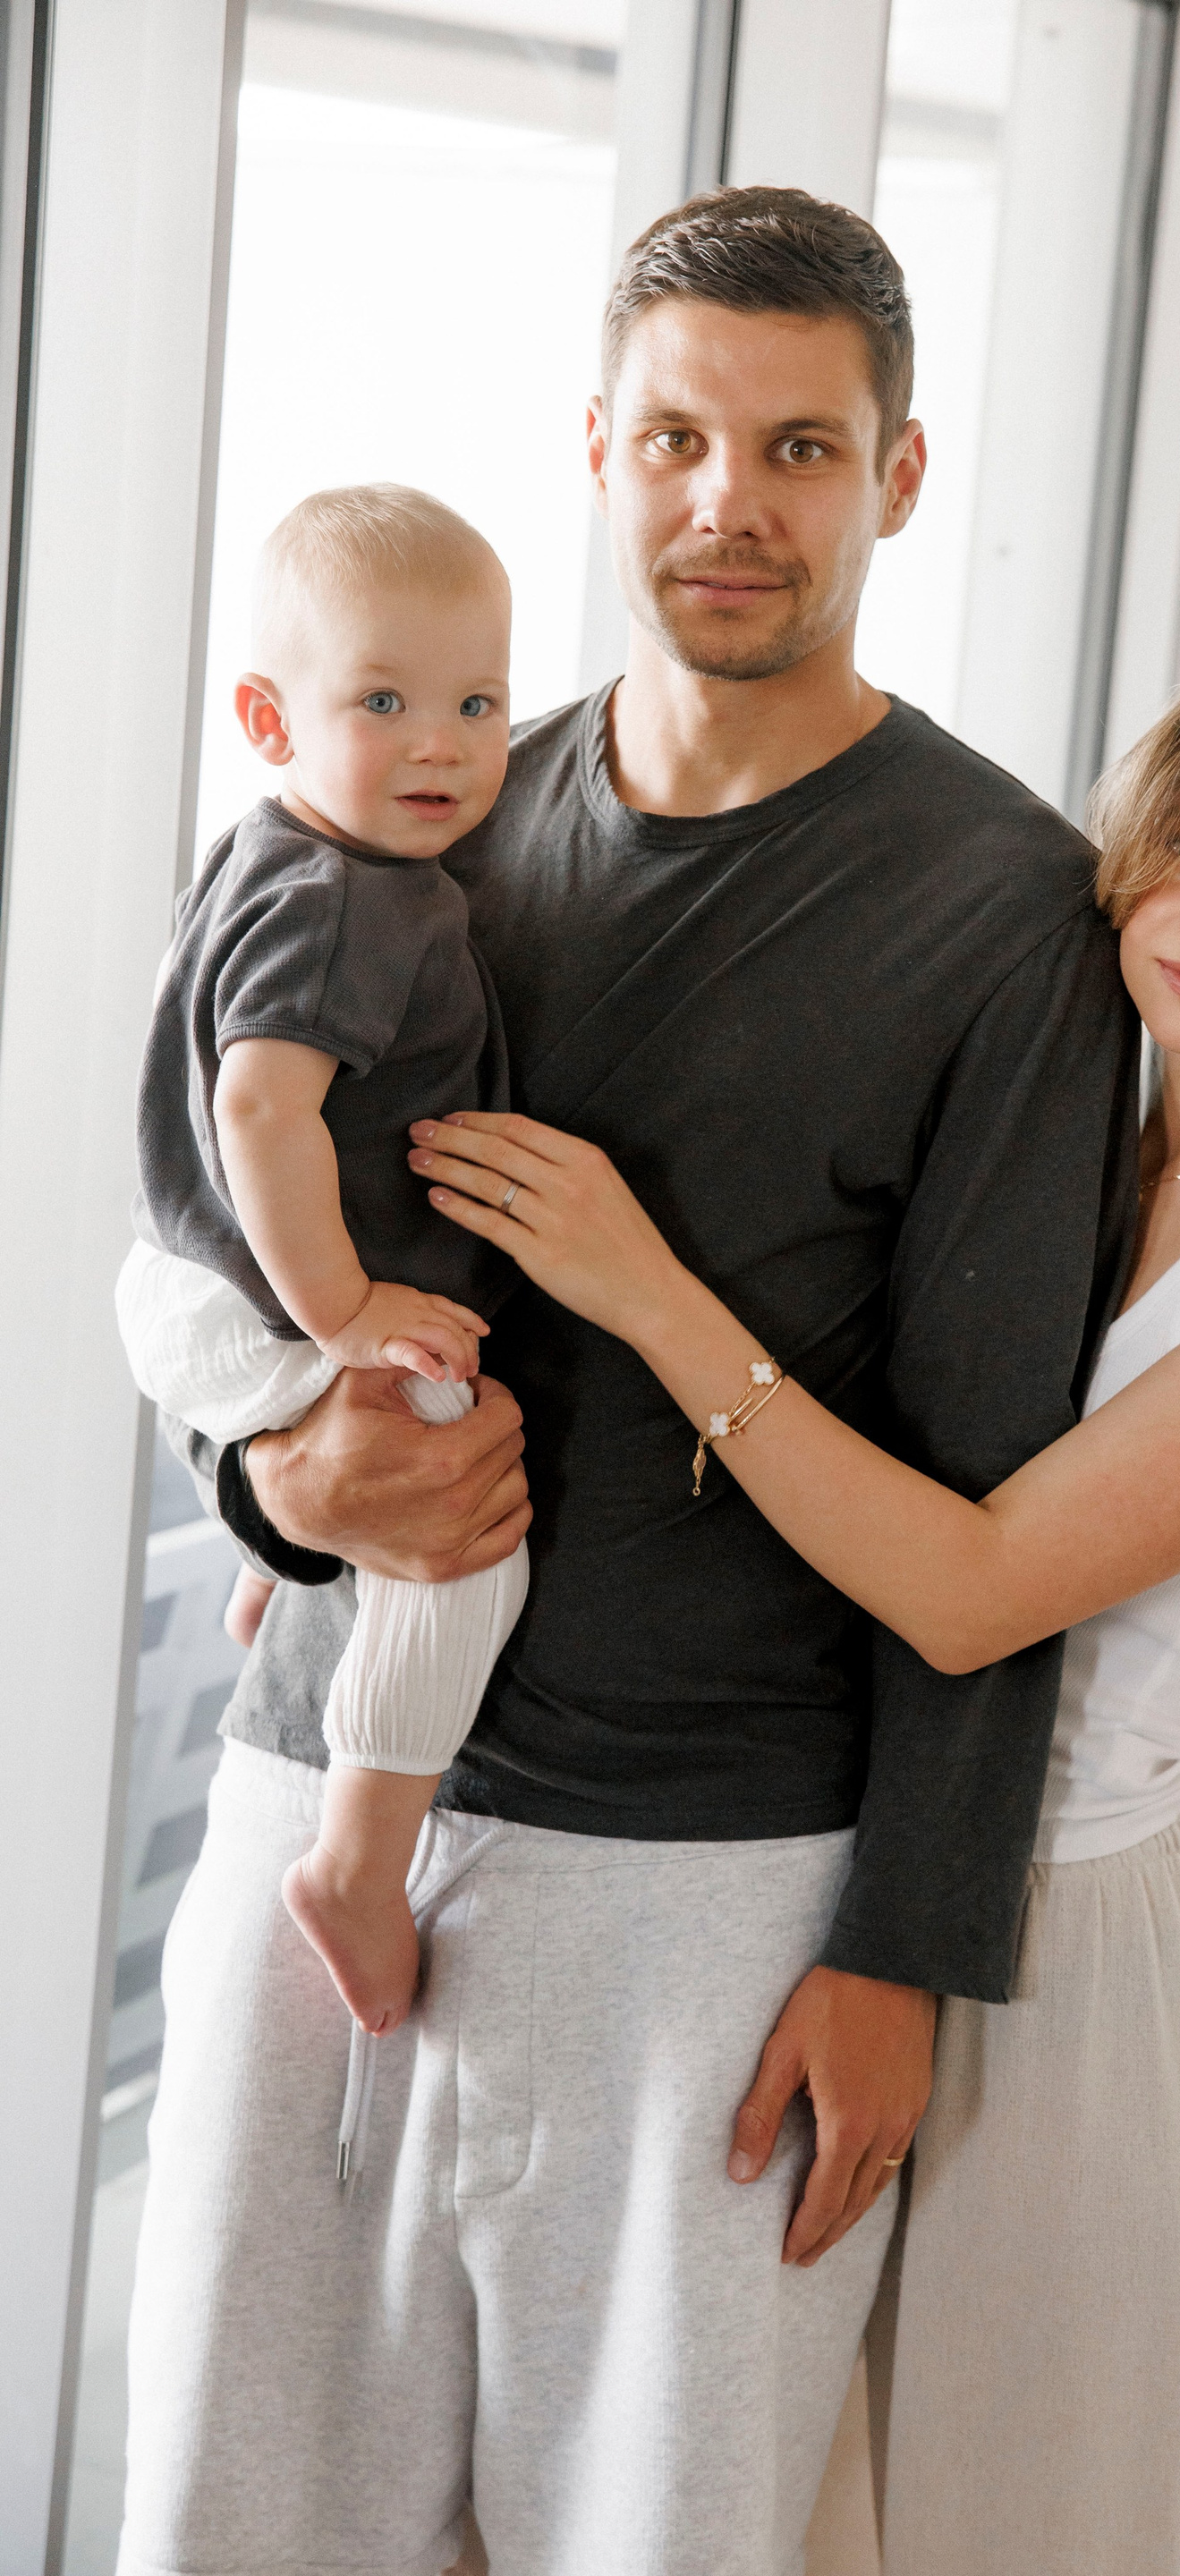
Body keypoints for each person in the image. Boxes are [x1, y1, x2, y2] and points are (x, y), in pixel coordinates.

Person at [120, 187, 1137, 2576]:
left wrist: (903, 1946)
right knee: (228, 2529)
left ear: (898, 476)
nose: (727, 502)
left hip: (708, 1893)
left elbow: (1002, 1467)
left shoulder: (1006, 911)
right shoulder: (425, 810)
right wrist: (270, 1484)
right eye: (677, 436)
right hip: (321, 1803)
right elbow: (189, 1234)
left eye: (801, 447)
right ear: (598, 445)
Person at [403, 646, 1180, 2576]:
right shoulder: (1063, 1145)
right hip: (847, 1895)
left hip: (1076, 1968)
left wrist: (645, 1287)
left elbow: (968, 1591)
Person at [116, 485, 529, 2041]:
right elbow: (261, 1105)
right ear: (267, 717)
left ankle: (266, 1574)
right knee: (466, 1545)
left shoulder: (269, 845)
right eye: (384, 702)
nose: (443, 746)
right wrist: (345, 1314)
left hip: (189, 1275)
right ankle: (358, 1865)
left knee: (369, 1474)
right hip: (267, 1296)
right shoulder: (354, 901)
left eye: (478, 704)